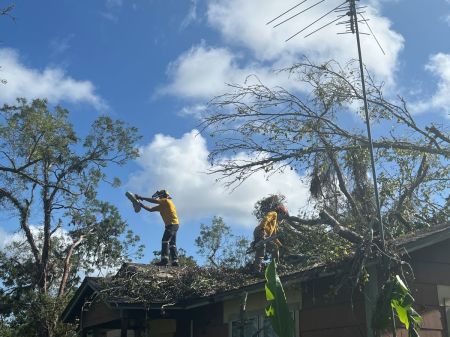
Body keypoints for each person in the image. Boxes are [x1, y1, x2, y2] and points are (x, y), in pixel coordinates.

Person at [135, 190, 181, 267]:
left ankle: (164, 260)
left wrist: (141, 197)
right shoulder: (162, 205)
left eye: (160, 195)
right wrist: (141, 205)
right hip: (174, 225)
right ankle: (175, 262)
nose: (159, 197)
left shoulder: (166, 201)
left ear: (164, 195)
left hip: (172, 225)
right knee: (172, 244)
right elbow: (150, 209)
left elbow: (154, 201)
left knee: (165, 240)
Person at [252, 204, 289, 273]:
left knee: (275, 247)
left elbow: (274, 237)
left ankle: (275, 266)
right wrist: (262, 229)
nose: (282, 219)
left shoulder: (275, 225)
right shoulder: (274, 214)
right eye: (283, 216)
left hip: (266, 236)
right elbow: (266, 218)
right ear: (281, 212)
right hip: (260, 231)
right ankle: (256, 270)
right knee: (261, 248)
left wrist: (281, 246)